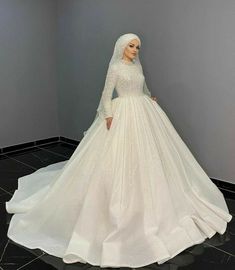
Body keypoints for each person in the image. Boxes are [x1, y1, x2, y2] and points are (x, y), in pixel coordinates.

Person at [5, 33, 232, 268]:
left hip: (144, 111)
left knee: (152, 158)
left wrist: (148, 96)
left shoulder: (137, 66)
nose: (135, 50)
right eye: (131, 46)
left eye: (138, 47)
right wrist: (109, 115)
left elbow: (143, 87)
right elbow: (106, 95)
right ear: (122, 47)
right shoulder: (115, 67)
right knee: (118, 162)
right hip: (122, 112)